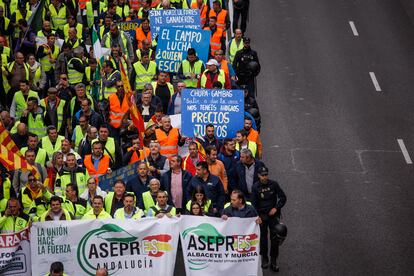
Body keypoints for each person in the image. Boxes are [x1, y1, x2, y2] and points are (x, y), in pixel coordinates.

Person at [251, 167, 287, 272]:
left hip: (273, 216)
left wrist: (276, 208)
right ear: (258, 175)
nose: (264, 177)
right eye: (262, 175)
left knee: (275, 239)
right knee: (263, 239)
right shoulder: (255, 187)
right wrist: (257, 216)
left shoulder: (274, 184)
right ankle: (265, 258)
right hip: (262, 216)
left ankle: (274, 260)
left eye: (266, 174)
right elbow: (253, 204)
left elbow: (283, 198)